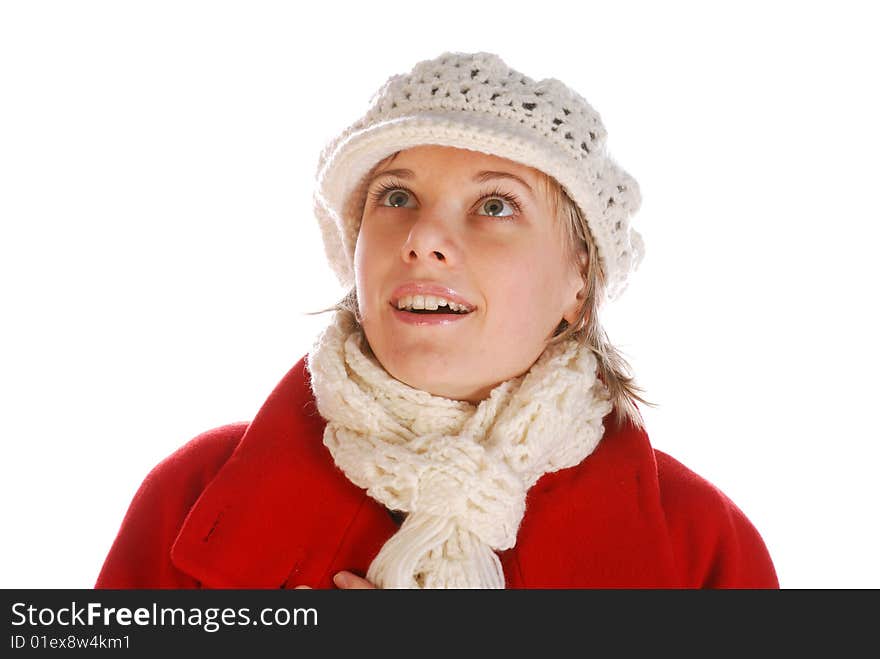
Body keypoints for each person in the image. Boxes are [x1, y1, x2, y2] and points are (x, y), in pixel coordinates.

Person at [94, 50, 778, 589]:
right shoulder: (188, 495)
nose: (422, 236)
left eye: (496, 206)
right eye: (396, 196)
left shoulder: (702, 546)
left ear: (579, 282)